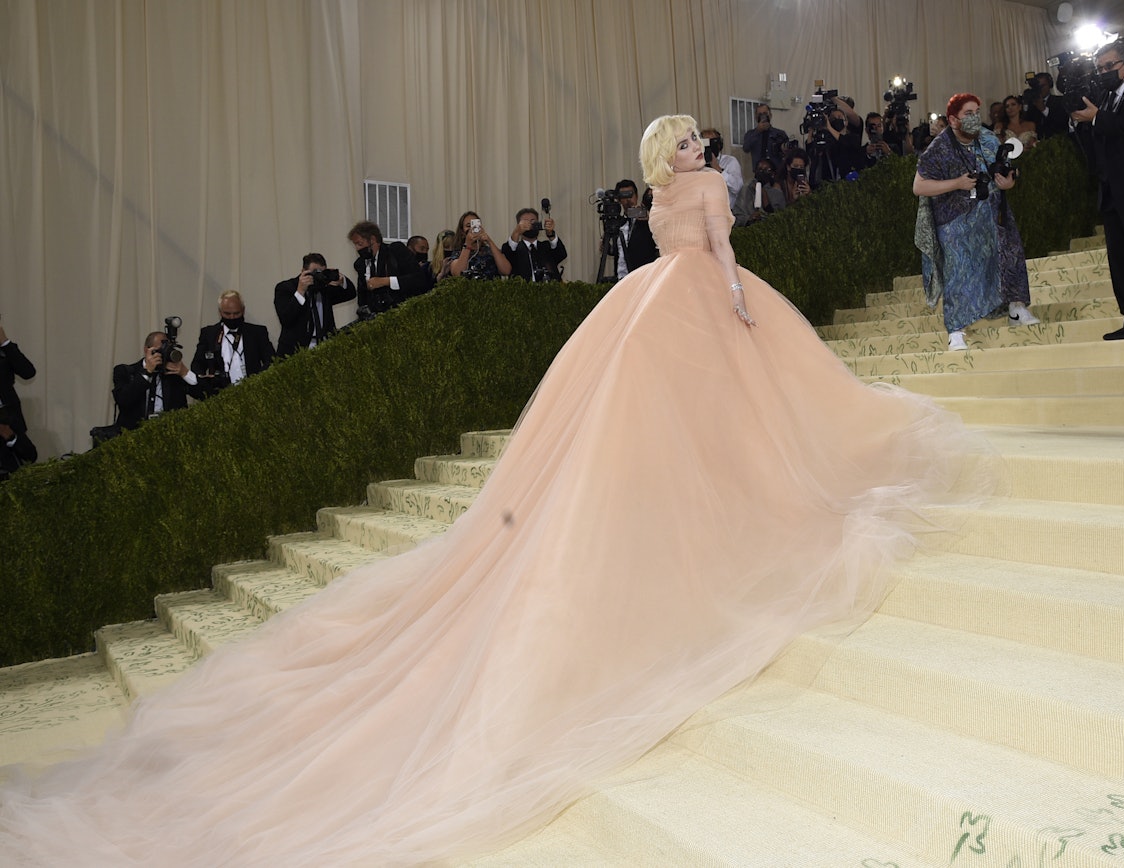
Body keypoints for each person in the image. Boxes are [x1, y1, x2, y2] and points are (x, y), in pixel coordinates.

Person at [0, 114, 989, 866]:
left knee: (679, 427)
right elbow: (721, 258)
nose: (695, 148)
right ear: (671, 154)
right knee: (738, 417)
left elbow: (661, 252)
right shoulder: (706, 195)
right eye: (684, 140)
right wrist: (736, 305)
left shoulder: (656, 202)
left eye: (695, 140)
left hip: (643, 312)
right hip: (691, 309)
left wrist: (714, 287)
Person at [914, 93, 1040, 351]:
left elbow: (1002, 170)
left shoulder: (987, 137)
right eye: (967, 114)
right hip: (954, 219)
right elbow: (919, 186)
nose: (974, 118)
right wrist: (957, 183)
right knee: (958, 271)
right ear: (952, 120)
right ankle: (956, 331)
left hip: (993, 210)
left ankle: (1016, 308)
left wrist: (1008, 181)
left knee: (1009, 253)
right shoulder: (939, 147)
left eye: (976, 112)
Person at [1071, 40, 1124, 340]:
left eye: (1110, 66)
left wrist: (1097, 118)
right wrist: (1084, 123)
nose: (1105, 72)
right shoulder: (1107, 97)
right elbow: (1103, 135)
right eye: (1100, 68)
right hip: (1112, 191)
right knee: (1122, 260)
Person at [191, 291, 275, 395]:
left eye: (236, 313)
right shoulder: (209, 334)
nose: (232, 317)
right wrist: (203, 378)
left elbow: (271, 360)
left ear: (243, 311)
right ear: (220, 312)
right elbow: (197, 364)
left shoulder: (257, 332)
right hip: (220, 394)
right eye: (227, 313)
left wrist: (258, 381)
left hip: (253, 391)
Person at [111, 330, 199, 430]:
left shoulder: (174, 375)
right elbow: (123, 400)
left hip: (169, 433)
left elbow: (202, 394)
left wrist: (185, 373)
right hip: (134, 435)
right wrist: (146, 372)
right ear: (146, 350)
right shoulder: (125, 371)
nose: (162, 355)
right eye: (159, 351)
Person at [273, 253, 357, 356]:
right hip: (297, 350)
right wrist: (300, 292)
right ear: (303, 271)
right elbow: (286, 318)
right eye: (315, 273)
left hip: (325, 346)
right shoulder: (285, 288)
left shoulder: (325, 288)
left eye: (321, 273)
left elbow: (350, 293)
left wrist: (341, 280)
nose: (318, 277)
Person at [348, 220, 434, 314]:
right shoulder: (360, 264)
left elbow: (418, 279)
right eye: (355, 245)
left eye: (359, 244)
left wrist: (386, 281)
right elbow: (362, 298)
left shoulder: (396, 251)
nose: (357, 249)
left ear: (372, 239)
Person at [502, 207, 566, 282]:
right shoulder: (515, 249)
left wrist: (550, 234)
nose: (530, 224)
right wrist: (516, 232)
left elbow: (561, 254)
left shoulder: (546, 246)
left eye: (533, 221)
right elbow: (509, 252)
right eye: (525, 222)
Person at [610, 179, 659, 278]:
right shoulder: (618, 223)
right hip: (621, 278)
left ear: (636, 196)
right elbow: (620, 251)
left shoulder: (648, 219)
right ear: (619, 199)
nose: (628, 200)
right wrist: (608, 249)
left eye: (630, 194)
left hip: (643, 276)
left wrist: (650, 219)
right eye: (624, 196)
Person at [447, 210, 512, 280]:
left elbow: (506, 271)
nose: (472, 229)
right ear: (462, 232)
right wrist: (468, 244)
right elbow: (458, 274)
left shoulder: (489, 251)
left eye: (475, 225)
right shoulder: (458, 253)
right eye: (468, 226)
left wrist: (489, 241)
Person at [0, 319, 36, 436]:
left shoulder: (6, 350)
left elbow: (28, 372)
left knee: (26, 453)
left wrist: (5, 342)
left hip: (8, 420)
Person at [732, 157, 786, 225]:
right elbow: (737, 215)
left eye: (766, 170)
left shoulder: (776, 193)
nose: (762, 172)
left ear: (772, 174)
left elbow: (780, 216)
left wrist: (763, 193)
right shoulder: (746, 189)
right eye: (760, 169)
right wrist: (748, 218)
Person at [701, 126, 744, 208]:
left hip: (725, 212)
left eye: (712, 143)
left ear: (719, 145)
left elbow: (737, 187)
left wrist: (718, 169)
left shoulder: (730, 161)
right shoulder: (697, 164)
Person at [742, 103, 790, 172]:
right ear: (756, 117)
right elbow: (746, 148)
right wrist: (758, 131)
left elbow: (788, 153)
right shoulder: (750, 134)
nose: (763, 116)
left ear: (770, 115)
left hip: (777, 172)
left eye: (765, 113)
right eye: (760, 114)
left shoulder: (780, 133)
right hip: (759, 172)